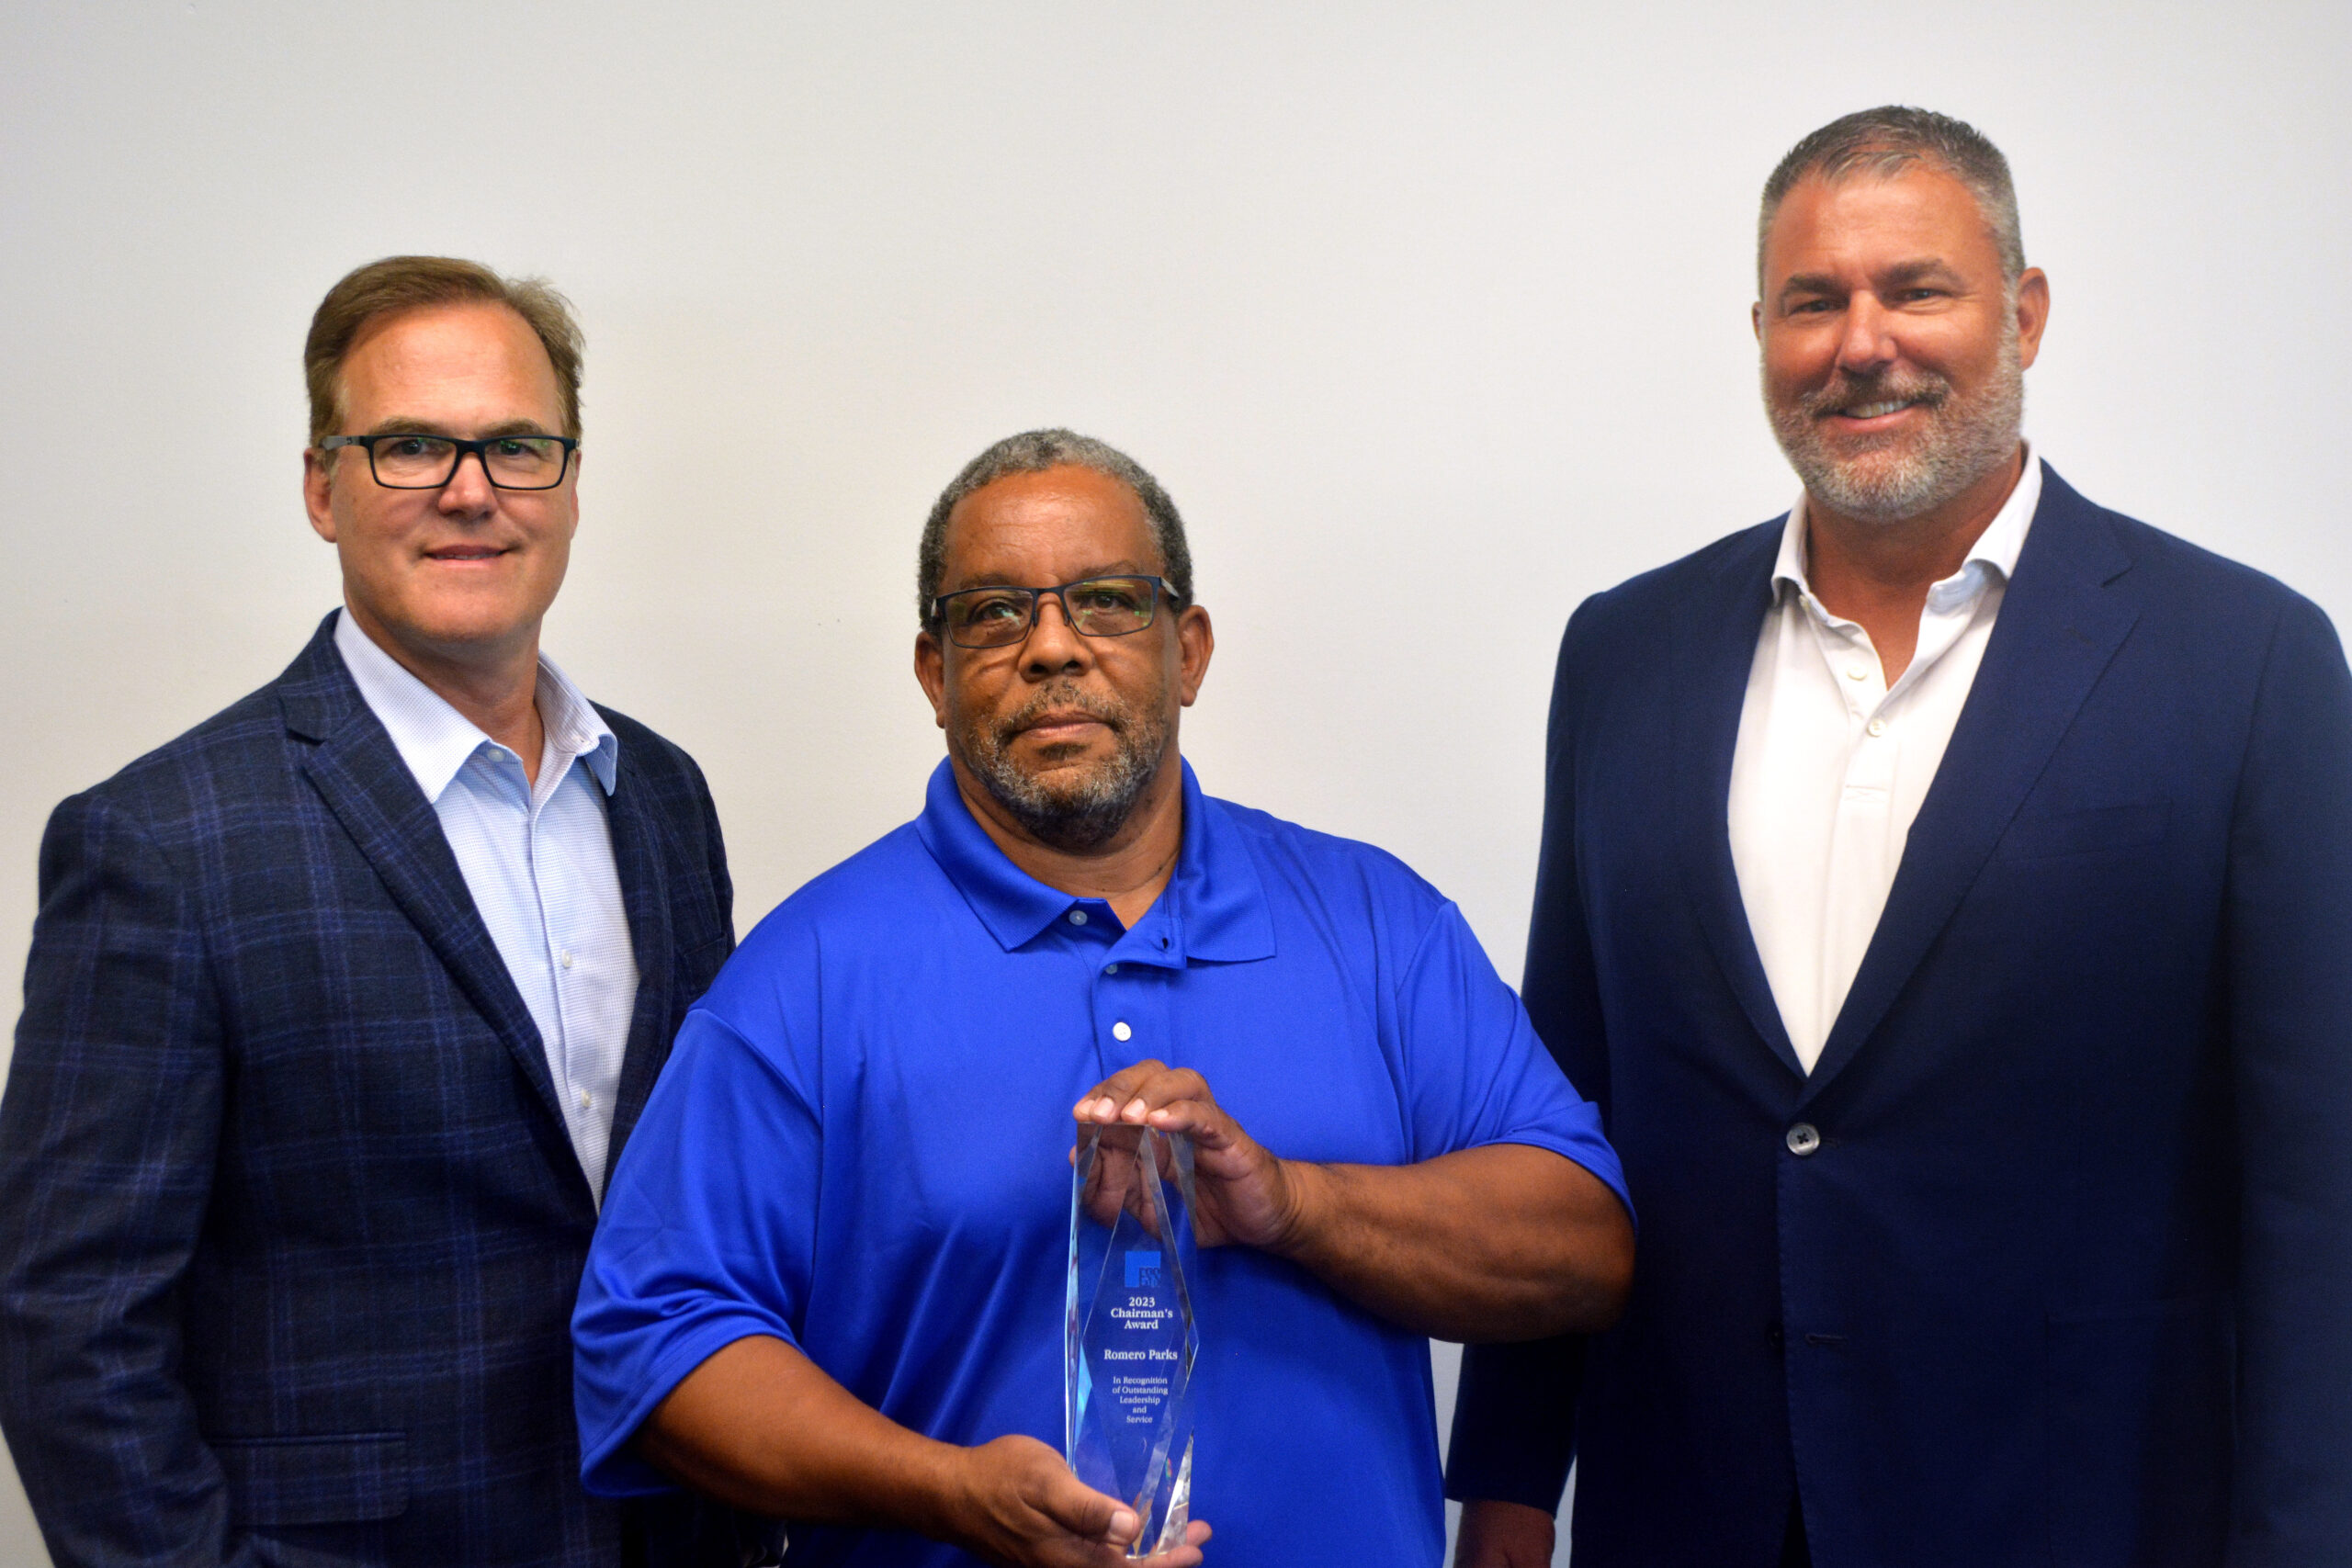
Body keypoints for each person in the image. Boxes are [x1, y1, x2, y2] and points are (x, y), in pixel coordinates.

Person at [1445, 106, 2352, 1568]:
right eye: (1815, 301)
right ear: (1761, 332)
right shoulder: (1624, 654)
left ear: (2025, 311)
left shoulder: (2245, 661)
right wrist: (1504, 1486)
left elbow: (2319, 1190)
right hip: (1691, 1500)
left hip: (2082, 1507)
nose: (1862, 341)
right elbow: (1568, 1102)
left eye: (1915, 288)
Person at [571, 428, 1637, 1567]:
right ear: (933, 675)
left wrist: (1295, 1205)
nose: (1050, 649)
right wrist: (947, 1492)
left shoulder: (1378, 924)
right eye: (991, 613)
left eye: (1106, 602)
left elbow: (1582, 1246)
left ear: (1189, 650)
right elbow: (654, 1341)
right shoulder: (808, 975)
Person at [0, 256, 760, 1566]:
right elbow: (68, 1314)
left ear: (570, 481)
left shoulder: (661, 796)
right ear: (321, 487)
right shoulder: (163, 841)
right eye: (411, 445)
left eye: (517, 445)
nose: (471, 491)